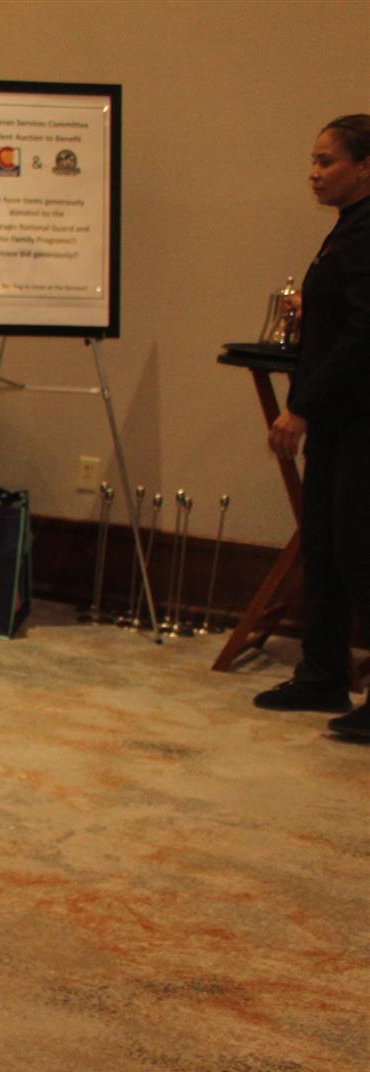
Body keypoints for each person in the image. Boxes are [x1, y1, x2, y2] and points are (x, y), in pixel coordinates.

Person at [252, 114, 370, 742]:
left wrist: (302, 406)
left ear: (366, 167)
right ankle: (323, 672)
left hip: (359, 422)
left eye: (327, 161)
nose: (313, 173)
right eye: (313, 160)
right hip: (337, 419)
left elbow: (363, 336)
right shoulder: (348, 227)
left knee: (358, 550)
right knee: (324, 543)